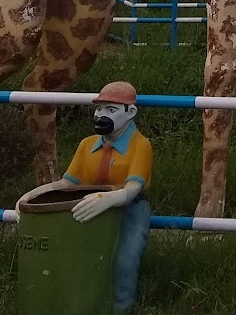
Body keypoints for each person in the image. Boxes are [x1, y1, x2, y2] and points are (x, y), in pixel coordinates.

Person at [62, 81, 152, 315]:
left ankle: (121, 309)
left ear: (130, 113)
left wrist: (111, 198)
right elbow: (67, 183)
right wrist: (33, 195)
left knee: (124, 262)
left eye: (110, 110)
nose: (101, 115)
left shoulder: (140, 145)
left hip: (130, 210)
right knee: (81, 261)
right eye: (99, 109)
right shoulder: (86, 145)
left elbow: (133, 187)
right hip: (89, 207)